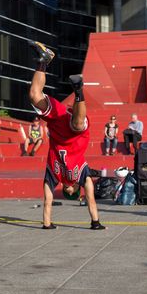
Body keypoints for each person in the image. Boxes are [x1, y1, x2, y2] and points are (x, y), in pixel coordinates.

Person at [28, 40, 105, 230]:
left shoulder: (54, 175)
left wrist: (47, 224)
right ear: (77, 190)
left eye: (66, 190)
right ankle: (79, 91)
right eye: (71, 190)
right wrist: (95, 222)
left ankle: (44, 60)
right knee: (78, 124)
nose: (68, 188)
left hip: (57, 122)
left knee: (34, 96)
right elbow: (91, 199)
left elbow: (47, 199)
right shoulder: (83, 176)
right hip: (75, 134)